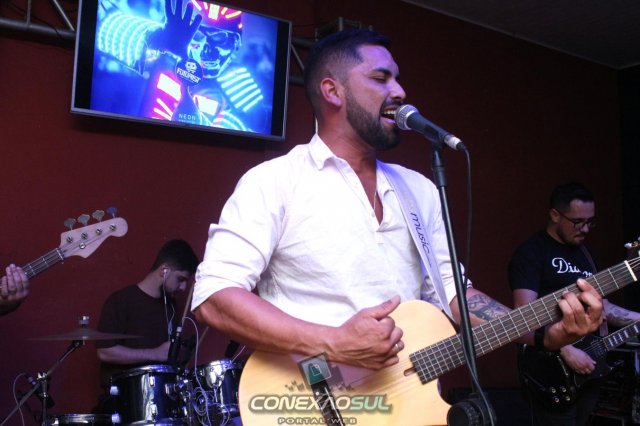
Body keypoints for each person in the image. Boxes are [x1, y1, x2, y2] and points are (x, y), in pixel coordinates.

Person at [191, 29, 604, 423]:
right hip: (309, 399)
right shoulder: (275, 181)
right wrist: (333, 342)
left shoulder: (418, 189)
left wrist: (543, 333)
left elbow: (455, 296)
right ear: (333, 91)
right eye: (381, 77)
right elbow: (214, 296)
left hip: (406, 407)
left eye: (398, 78)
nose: (400, 91)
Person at [508, 182, 640, 426]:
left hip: (590, 368)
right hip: (551, 371)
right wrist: (565, 349)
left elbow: (602, 306)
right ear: (555, 215)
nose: (585, 229)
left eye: (590, 222)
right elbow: (522, 317)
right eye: (578, 222)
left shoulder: (586, 255)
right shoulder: (532, 252)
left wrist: (637, 318)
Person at [94, 0, 270, 133]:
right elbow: (98, 25)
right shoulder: (162, 59)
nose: (207, 50)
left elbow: (253, 130)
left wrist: (196, 121)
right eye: (197, 36)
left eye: (219, 38)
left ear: (236, 44)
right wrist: (157, 39)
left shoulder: (239, 84)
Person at [94, 239, 199, 413]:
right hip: (125, 403)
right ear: (164, 270)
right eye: (181, 279)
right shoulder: (120, 301)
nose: (183, 287)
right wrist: (155, 353)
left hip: (162, 402)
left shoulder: (170, 307)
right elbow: (104, 352)